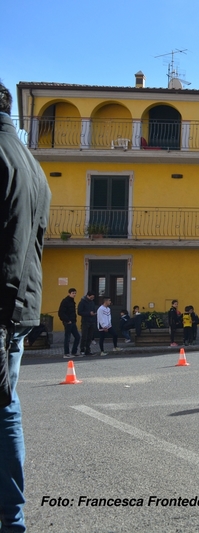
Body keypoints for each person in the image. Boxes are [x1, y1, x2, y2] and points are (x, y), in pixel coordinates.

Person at [1, 80, 51, 533]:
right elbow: (36, 243)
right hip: (20, 306)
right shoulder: (33, 166)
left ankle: (11, 519)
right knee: (6, 405)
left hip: (2, 304)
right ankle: (11, 518)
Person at [58, 288, 81, 357]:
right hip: (68, 322)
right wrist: (67, 320)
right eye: (73, 293)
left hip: (73, 321)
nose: (74, 294)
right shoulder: (65, 301)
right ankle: (66, 353)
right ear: (69, 293)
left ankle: (74, 352)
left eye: (75, 293)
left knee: (77, 337)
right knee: (67, 337)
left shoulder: (72, 301)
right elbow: (61, 312)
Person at [77, 291, 97, 355]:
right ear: (88, 296)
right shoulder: (82, 302)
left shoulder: (92, 302)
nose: (92, 298)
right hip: (85, 321)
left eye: (93, 297)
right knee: (84, 336)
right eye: (91, 297)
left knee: (90, 337)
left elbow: (93, 310)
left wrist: (94, 314)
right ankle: (82, 349)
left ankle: (88, 350)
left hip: (92, 321)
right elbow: (79, 312)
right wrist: (88, 313)